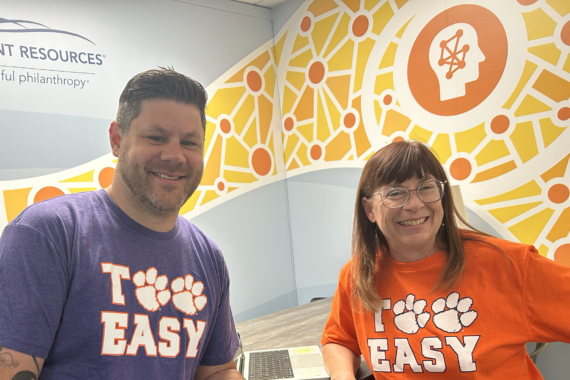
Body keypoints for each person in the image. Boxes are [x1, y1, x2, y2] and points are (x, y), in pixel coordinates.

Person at [0, 68, 244, 380]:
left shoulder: (208, 256)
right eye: (156, 137)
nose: (175, 156)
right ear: (117, 140)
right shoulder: (48, 233)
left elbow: (217, 371)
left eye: (189, 142)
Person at [321, 141, 570, 379]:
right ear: (369, 210)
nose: (415, 204)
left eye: (426, 187)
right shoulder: (358, 275)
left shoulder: (508, 264)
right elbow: (339, 340)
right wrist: (343, 375)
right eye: (395, 193)